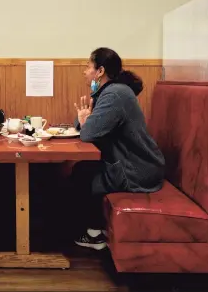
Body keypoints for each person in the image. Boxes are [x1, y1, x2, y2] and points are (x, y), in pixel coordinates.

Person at [71, 47, 165, 250]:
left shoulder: (114, 95)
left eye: (88, 66)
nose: (85, 71)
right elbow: (90, 128)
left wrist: (85, 124)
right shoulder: (112, 92)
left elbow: (88, 134)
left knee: (81, 175)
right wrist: (84, 121)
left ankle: (94, 234)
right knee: (82, 170)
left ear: (101, 71)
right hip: (134, 164)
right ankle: (96, 229)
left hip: (137, 170)